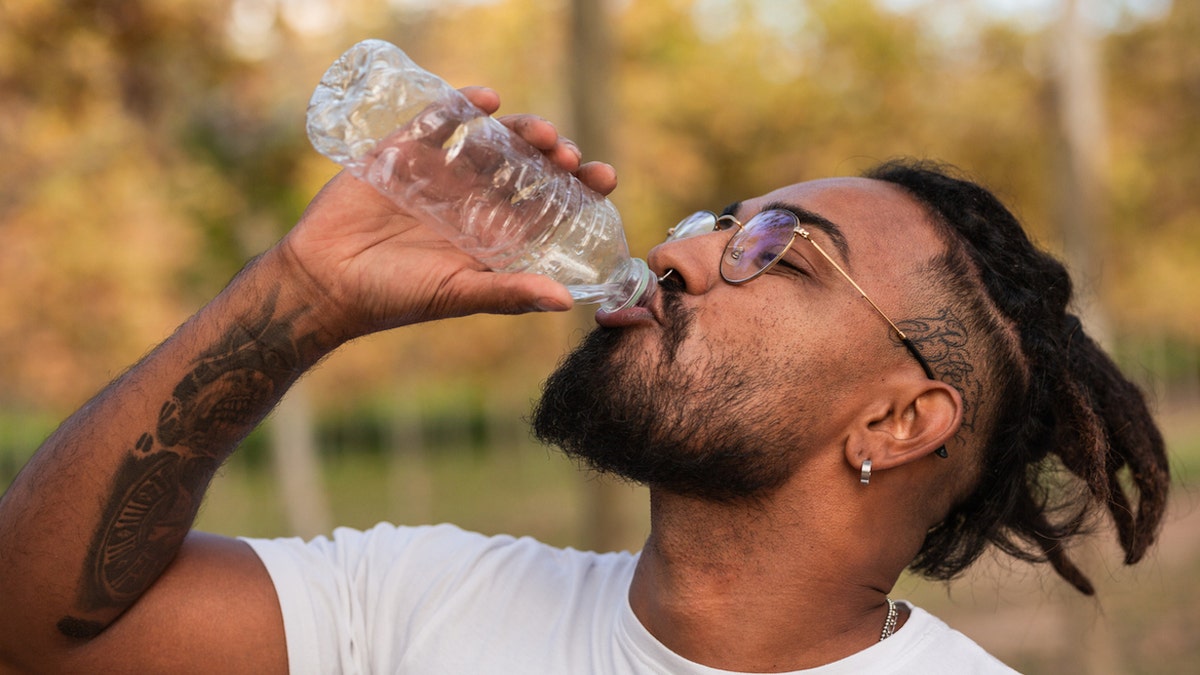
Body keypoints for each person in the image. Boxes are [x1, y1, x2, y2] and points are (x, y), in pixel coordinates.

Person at [0, 84, 1170, 674]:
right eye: (722, 221)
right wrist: (302, 294)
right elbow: (39, 632)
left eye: (779, 254)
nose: (674, 251)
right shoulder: (421, 601)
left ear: (902, 418)